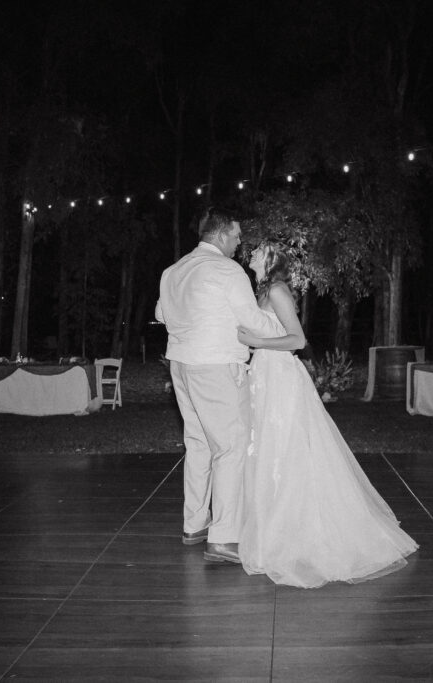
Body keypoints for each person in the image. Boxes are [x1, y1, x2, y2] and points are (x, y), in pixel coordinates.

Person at [236, 243, 418, 588]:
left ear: (271, 260)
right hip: (263, 376)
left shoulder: (276, 290)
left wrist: (255, 342)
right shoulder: (261, 291)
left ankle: (300, 531)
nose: (252, 254)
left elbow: (297, 339)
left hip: (281, 378)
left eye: (259, 251)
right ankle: (273, 524)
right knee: (266, 449)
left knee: (288, 450)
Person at [155, 208, 281, 564]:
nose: (240, 243)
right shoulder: (227, 270)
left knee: (198, 445)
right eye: (237, 236)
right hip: (215, 367)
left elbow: (162, 314)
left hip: (180, 365)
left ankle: (194, 525)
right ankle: (224, 538)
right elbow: (252, 320)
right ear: (221, 235)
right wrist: (283, 328)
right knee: (230, 447)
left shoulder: (173, 270)